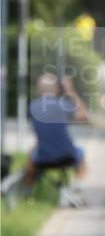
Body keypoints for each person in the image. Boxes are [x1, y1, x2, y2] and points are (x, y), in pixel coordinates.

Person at [26, 73, 89, 207]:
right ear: (57, 89)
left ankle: (28, 193)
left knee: (31, 155)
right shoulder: (64, 105)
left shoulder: (32, 107)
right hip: (68, 155)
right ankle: (76, 186)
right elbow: (84, 115)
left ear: (39, 90)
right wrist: (70, 91)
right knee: (81, 151)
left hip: (42, 158)